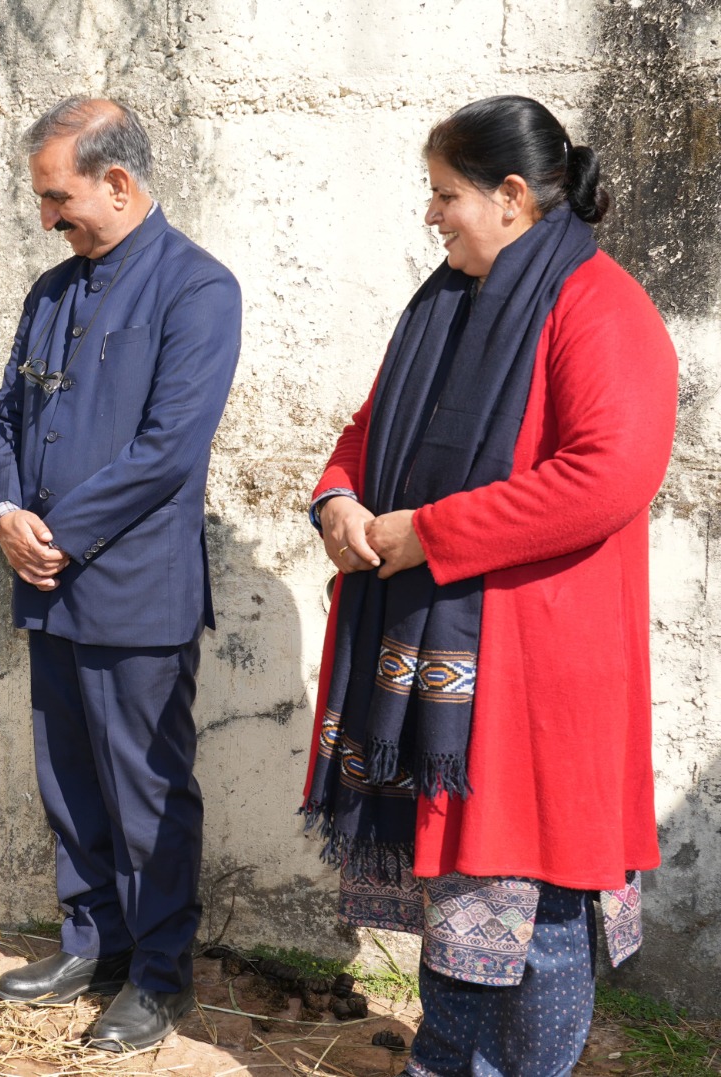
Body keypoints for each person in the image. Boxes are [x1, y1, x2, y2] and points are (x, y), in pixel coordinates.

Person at [301, 95, 676, 1076]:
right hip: (449, 666)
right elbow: (368, 429)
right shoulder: (443, 306)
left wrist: (429, 533)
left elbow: (606, 474)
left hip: (536, 672)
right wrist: (337, 498)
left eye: (445, 195)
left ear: (511, 195)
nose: (432, 215)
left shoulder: (600, 307)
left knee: (536, 911)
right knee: (458, 902)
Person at [0, 96, 241, 1052]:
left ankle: (161, 976)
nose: (48, 218)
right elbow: (5, 417)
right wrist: (5, 514)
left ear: (118, 183)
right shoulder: (51, 292)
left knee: (146, 790)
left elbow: (169, 450)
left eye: (59, 199)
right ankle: (92, 944)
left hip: (134, 591)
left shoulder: (198, 289)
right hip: (46, 581)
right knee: (69, 779)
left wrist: (55, 533)